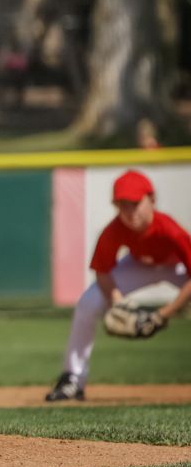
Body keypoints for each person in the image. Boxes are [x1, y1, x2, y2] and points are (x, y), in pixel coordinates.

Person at [45, 169, 191, 401]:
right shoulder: (113, 230)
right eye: (122, 205)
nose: (129, 211)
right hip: (138, 265)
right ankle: (73, 378)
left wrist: (163, 315)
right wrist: (117, 302)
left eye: (135, 203)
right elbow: (102, 271)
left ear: (151, 200)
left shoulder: (170, 230)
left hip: (175, 268)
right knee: (87, 304)